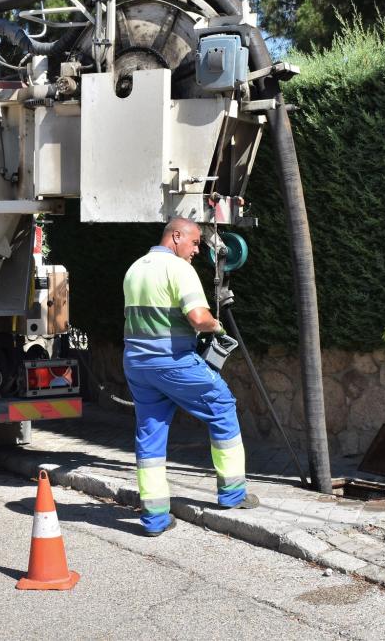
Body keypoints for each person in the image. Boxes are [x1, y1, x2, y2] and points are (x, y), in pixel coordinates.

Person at [123, 217, 258, 537]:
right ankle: (233, 494)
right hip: (173, 362)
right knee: (222, 404)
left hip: (137, 364)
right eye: (196, 242)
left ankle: (155, 518)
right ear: (177, 235)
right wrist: (218, 326)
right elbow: (198, 318)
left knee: (150, 433)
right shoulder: (178, 269)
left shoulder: (135, 268)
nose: (198, 249)